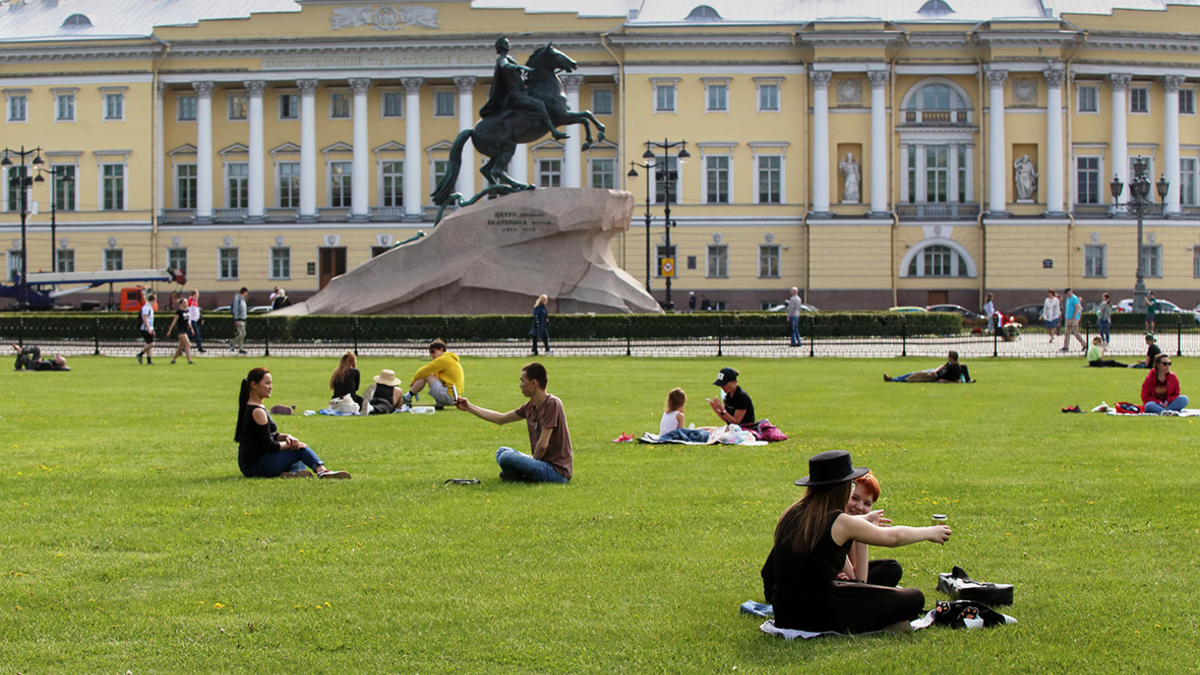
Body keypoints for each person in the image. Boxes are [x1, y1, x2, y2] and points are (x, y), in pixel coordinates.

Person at [761, 450, 950, 634]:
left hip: (785, 611)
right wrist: (930, 532)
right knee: (914, 598)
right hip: (815, 614)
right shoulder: (838, 521)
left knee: (889, 569)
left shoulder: (793, 512)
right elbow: (893, 538)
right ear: (841, 487)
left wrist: (862, 523)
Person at [455, 362, 572, 483]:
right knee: (502, 451)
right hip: (542, 464)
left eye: (522, 381)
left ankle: (519, 475)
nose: (520, 385)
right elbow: (501, 418)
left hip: (556, 472)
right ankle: (519, 475)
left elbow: (543, 445)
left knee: (506, 457)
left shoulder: (552, 404)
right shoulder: (530, 406)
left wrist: (532, 462)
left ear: (533, 383)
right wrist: (469, 407)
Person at [236, 367, 351, 479]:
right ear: (254, 385)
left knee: (299, 456)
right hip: (255, 466)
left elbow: (268, 435)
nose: (270, 387)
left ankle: (293, 473)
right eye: (267, 383)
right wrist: (291, 445)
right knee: (300, 450)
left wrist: (287, 437)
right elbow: (270, 445)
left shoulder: (256, 407)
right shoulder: (257, 411)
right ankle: (322, 472)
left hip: (252, 465)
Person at [479, 36, 568, 141]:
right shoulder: (502, 59)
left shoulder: (510, 58)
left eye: (508, 43)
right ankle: (553, 131)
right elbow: (504, 66)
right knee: (539, 104)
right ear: (501, 47)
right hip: (516, 96)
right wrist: (519, 67)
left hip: (522, 92)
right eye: (506, 44)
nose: (509, 45)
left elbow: (516, 79)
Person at [839, 472, 902, 588]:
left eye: (867, 503)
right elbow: (858, 581)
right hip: (823, 590)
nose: (859, 507)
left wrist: (863, 530)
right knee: (913, 597)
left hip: (844, 581)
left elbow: (854, 569)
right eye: (854, 498)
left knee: (892, 568)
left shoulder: (848, 526)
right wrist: (864, 531)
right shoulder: (837, 525)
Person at [402, 338, 464, 408]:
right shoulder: (449, 359)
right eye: (430, 353)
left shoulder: (444, 359)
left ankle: (408, 397)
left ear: (441, 349)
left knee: (427, 375)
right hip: (455, 397)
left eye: (433, 351)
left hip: (450, 396)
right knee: (433, 375)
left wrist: (413, 381)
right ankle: (439, 402)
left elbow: (424, 371)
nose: (432, 355)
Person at [884, 350, 972, 383]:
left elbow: (958, 381)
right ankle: (894, 379)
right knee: (913, 374)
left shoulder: (954, 368)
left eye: (948, 356)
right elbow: (943, 365)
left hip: (934, 377)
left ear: (951, 358)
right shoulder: (951, 364)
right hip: (934, 372)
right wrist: (936, 370)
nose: (947, 357)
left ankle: (893, 380)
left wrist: (943, 380)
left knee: (913, 376)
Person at [166, 297, 195, 365]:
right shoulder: (179, 312)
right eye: (185, 302)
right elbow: (174, 321)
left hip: (185, 329)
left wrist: (191, 328)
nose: (186, 304)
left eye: (187, 302)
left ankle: (173, 360)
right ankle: (189, 360)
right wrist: (170, 330)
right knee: (188, 344)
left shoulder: (187, 311)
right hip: (180, 330)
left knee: (180, 347)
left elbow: (188, 321)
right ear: (181, 304)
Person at [1061, 288, 1085, 352]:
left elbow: (1077, 307)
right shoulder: (1068, 299)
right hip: (1068, 318)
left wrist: (1074, 316)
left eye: (1068, 293)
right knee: (1067, 332)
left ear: (1070, 292)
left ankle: (1084, 344)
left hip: (1073, 318)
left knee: (1075, 332)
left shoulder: (1074, 298)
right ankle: (1066, 346)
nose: (1067, 295)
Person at [137, 292, 156, 365]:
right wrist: (148, 329)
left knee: (149, 344)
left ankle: (149, 360)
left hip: (149, 328)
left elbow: (150, 320)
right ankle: (140, 354)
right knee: (151, 344)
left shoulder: (149, 307)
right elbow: (144, 319)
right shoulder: (146, 308)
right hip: (145, 328)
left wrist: (152, 329)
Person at [231, 287, 249, 355]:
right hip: (239, 319)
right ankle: (239, 347)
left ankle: (235, 345)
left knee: (243, 334)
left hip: (243, 319)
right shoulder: (237, 299)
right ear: (244, 292)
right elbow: (236, 309)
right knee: (241, 334)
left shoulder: (242, 299)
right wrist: (236, 319)